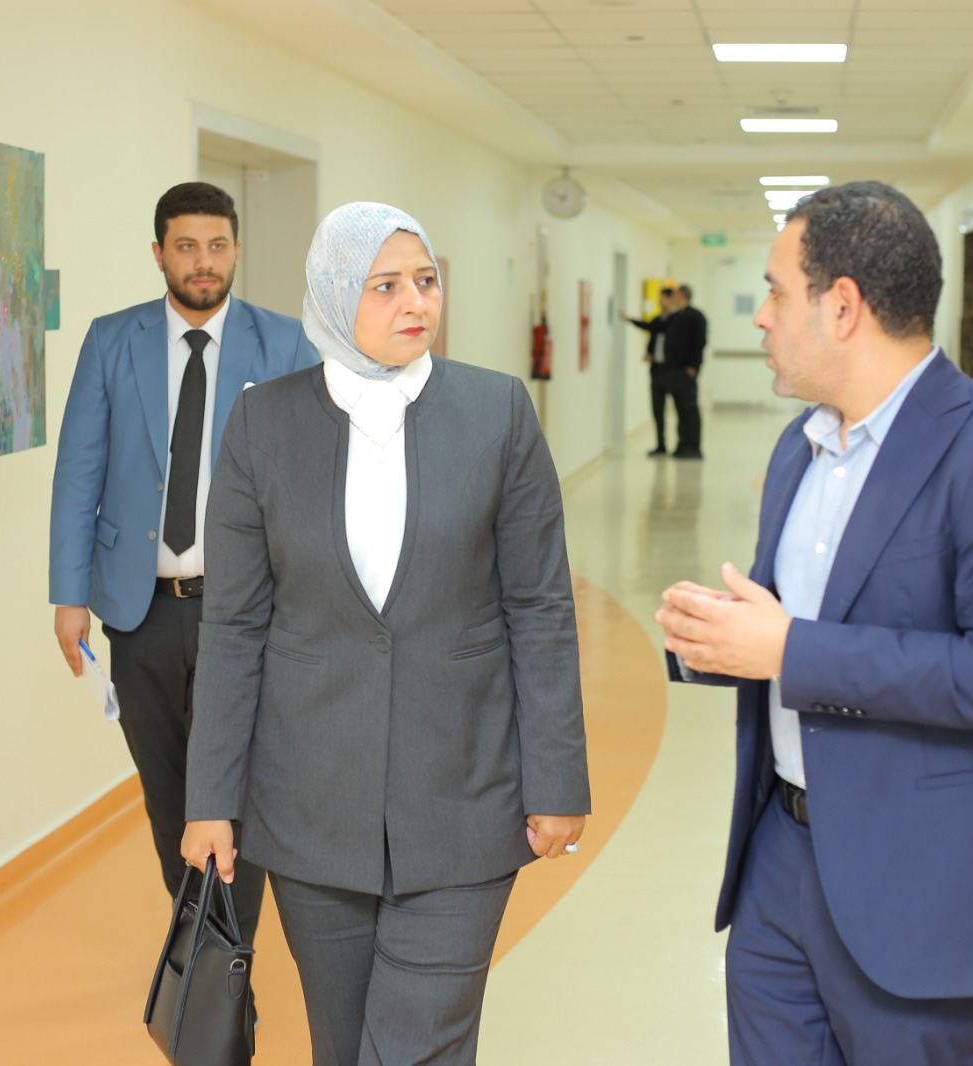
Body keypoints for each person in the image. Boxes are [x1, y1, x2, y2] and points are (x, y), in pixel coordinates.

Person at [656, 181, 973, 1064]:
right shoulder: (799, 447)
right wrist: (718, 643)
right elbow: (797, 629)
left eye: (777, 293)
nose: (761, 318)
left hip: (921, 884)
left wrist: (789, 648)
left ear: (843, 305)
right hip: (780, 860)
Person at [179, 202, 590, 1066]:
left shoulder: (497, 413)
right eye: (386, 286)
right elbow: (236, 625)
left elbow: (540, 607)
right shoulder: (263, 424)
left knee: (418, 1044)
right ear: (335, 295)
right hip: (311, 804)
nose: (417, 302)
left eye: (427, 281)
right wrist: (211, 798)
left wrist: (557, 778)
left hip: (466, 798)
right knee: (341, 1045)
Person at [48, 182, 319, 951]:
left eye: (218, 245)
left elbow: (310, 479)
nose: (204, 262)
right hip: (141, 611)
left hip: (247, 612)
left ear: (237, 250)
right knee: (170, 795)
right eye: (187, 246)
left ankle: (226, 968)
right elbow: (79, 471)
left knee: (236, 793)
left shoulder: (285, 344)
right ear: (159, 253)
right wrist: (69, 595)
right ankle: (206, 948)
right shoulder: (113, 340)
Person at [622, 287, 677, 456]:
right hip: (657, 369)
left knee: (680, 408)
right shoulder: (658, 319)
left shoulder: (677, 320)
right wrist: (649, 353)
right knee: (657, 408)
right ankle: (661, 445)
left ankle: (682, 444)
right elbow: (651, 329)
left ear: (671, 299)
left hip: (673, 370)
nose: (660, 302)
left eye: (663, 298)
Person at [664, 284, 707, 459]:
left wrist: (693, 365)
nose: (672, 297)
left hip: (687, 371)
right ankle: (682, 444)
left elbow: (700, 342)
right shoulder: (676, 317)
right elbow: (658, 328)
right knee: (680, 408)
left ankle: (694, 447)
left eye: (675, 294)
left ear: (683, 295)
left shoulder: (696, 316)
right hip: (674, 370)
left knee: (690, 408)